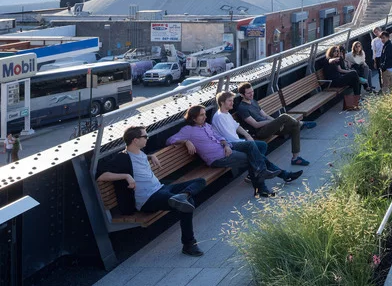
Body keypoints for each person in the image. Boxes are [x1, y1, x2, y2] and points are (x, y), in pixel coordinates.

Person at [98, 125, 205, 256]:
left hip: (161, 188)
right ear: (135, 140)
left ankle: (183, 195)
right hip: (148, 199)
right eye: (145, 136)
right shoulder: (122, 158)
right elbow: (101, 175)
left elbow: (137, 159)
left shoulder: (140, 152)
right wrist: (126, 176)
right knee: (188, 204)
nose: (147, 138)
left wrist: (150, 156)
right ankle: (189, 244)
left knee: (200, 181)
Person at [169, 104, 301, 198]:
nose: (204, 117)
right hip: (217, 158)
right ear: (193, 118)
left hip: (226, 148)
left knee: (251, 146)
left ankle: (265, 176)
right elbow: (170, 140)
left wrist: (226, 144)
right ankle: (265, 186)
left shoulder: (206, 125)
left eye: (204, 114)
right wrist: (186, 141)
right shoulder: (188, 130)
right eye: (201, 115)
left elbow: (219, 137)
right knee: (253, 158)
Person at [236, 82, 314, 167]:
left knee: (295, 127)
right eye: (248, 93)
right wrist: (274, 122)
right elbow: (255, 124)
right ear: (242, 95)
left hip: (269, 127)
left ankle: (295, 159)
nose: (252, 94)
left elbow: (265, 115)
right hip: (261, 132)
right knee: (284, 116)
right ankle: (301, 123)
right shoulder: (242, 108)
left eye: (252, 91)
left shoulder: (253, 102)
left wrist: (276, 123)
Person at [371, 27, 384, 92]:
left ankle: (388, 86)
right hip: (378, 58)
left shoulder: (384, 38)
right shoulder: (374, 41)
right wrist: (375, 62)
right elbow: (374, 52)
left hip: (385, 57)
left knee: (387, 72)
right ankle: (382, 87)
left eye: (377, 31)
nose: (376, 33)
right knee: (380, 73)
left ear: (380, 30)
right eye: (375, 32)